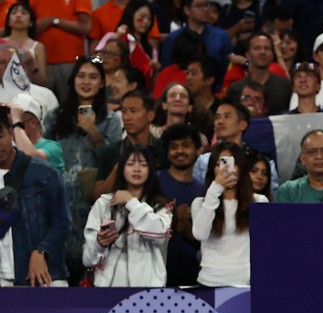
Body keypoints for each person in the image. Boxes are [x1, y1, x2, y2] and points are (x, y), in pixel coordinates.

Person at [43, 55, 124, 284]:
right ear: (73, 80)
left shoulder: (111, 120)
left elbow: (115, 161)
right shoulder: (55, 116)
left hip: (94, 201)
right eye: (81, 76)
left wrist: (94, 133)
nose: (86, 82)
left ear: (102, 83)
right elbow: (43, 153)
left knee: (90, 265)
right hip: (60, 197)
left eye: (93, 77)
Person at [0, 105, 70, 287]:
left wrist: (41, 251)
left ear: (11, 133)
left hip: (43, 278)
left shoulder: (43, 173)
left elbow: (62, 222)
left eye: (0, 136)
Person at [83, 145, 172, 287]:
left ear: (151, 170)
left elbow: (159, 234)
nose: (137, 169)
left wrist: (130, 202)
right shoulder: (104, 203)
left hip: (147, 286)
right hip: (107, 286)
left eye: (143, 165)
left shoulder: (160, 205)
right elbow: (88, 259)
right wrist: (100, 244)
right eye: (130, 164)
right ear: (121, 169)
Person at [191, 141, 267, 286]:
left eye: (232, 164)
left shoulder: (259, 201)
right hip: (209, 280)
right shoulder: (200, 203)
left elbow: (264, 245)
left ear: (241, 168)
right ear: (212, 169)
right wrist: (215, 189)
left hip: (247, 281)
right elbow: (200, 234)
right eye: (220, 164)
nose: (226, 169)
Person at [157, 123, 204, 286]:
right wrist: (174, 217)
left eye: (186, 145)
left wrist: (186, 230)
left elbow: (208, 240)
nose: (180, 151)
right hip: (156, 274)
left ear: (198, 150)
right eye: (174, 147)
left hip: (193, 276)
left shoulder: (204, 190)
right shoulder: (154, 182)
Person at [30, 0, 91, 102]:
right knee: (41, 103)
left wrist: (54, 21)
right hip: (40, 63)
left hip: (71, 61)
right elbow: (26, 24)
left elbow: (86, 27)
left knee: (71, 103)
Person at [226, 33, 292, 115]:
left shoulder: (286, 86)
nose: (262, 52)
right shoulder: (235, 89)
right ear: (248, 55)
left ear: (272, 55)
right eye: (257, 48)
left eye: (267, 48)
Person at [8, 92, 63, 170]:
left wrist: (17, 123)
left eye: (15, 124)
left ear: (33, 123)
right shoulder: (11, 152)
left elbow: (29, 160)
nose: (12, 129)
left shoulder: (52, 147)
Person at [4, 1, 45, 86]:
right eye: (14, 13)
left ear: (31, 22)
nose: (18, 15)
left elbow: (42, 83)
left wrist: (31, 63)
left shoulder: (38, 46)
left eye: (24, 13)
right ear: (8, 22)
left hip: (29, 91)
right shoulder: (1, 43)